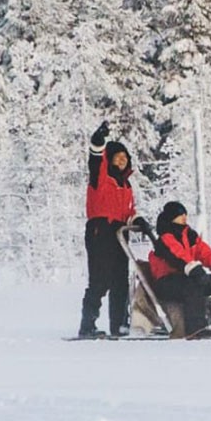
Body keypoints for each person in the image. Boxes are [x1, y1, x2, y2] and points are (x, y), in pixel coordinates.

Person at [77, 120, 148, 338]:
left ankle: (119, 324)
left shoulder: (126, 185)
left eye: (124, 157)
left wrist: (138, 220)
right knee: (100, 280)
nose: (121, 160)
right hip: (100, 230)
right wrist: (98, 141)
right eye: (117, 156)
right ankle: (87, 325)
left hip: (120, 233)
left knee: (120, 279)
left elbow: (129, 210)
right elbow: (95, 159)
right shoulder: (101, 177)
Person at [148, 201, 211, 337]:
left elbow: (205, 253)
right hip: (166, 282)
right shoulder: (165, 238)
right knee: (193, 286)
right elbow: (177, 255)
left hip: (186, 277)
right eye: (180, 214)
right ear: (172, 217)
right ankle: (197, 330)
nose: (184, 217)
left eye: (185, 214)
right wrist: (193, 269)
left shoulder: (188, 235)